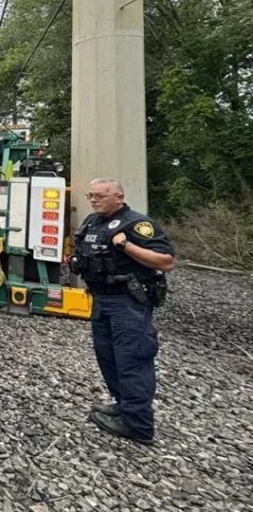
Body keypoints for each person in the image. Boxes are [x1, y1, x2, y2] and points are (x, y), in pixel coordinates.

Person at [70, 178, 175, 445]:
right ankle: (123, 406)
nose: (94, 200)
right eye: (91, 196)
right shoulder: (93, 223)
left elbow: (165, 261)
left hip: (128, 303)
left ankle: (139, 424)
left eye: (101, 196)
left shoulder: (137, 224)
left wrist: (126, 245)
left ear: (119, 197)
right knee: (108, 357)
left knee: (132, 359)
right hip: (101, 300)